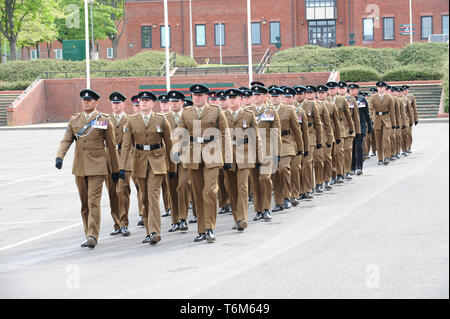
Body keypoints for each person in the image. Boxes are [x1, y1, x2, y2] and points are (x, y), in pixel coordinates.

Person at [55, 89, 119, 249]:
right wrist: (59, 156)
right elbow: (66, 140)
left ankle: (92, 235)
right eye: (84, 100)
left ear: (96, 102)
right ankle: (87, 233)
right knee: (84, 204)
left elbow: (111, 146)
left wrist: (115, 170)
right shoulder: (74, 119)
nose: (86, 102)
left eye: (89, 100)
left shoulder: (103, 120)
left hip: (97, 167)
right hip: (80, 167)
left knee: (93, 202)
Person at [175, 84, 231, 243]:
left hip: (212, 153)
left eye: (200, 95)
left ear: (206, 96)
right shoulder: (186, 112)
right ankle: (201, 230)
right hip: (193, 155)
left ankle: (209, 228)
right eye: (194, 95)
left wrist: (228, 159)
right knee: (198, 194)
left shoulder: (216, 111)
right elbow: (179, 132)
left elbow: (225, 135)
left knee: (210, 191)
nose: (197, 98)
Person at [120, 91, 175, 245]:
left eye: (146, 100)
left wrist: (172, 168)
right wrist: (122, 167)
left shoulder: (161, 120)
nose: (143, 103)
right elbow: (126, 145)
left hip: (157, 161)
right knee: (144, 198)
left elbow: (170, 144)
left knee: (153, 196)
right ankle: (148, 231)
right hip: (139, 162)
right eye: (141, 101)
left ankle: (155, 231)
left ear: (152, 103)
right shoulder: (132, 121)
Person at [223, 88, 259, 231]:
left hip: (245, 154)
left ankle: (242, 218)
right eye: (229, 98)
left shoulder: (248, 115)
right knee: (231, 189)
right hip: (228, 155)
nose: (232, 100)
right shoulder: (223, 116)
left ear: (240, 99)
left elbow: (256, 137)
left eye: (235, 98)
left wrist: (257, 156)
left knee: (242, 187)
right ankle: (236, 217)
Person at [248, 85, 281, 221]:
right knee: (255, 181)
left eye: (259, 95)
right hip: (251, 150)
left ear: (265, 96)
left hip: (267, 149)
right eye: (254, 95)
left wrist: (277, 152)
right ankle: (258, 210)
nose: (256, 97)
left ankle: (266, 208)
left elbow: (276, 132)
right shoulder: (247, 112)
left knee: (264, 179)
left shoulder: (271, 111)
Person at [269, 87, 304, 212]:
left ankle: (287, 196)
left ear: (281, 97)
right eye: (272, 96)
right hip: (272, 144)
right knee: (275, 173)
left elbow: (297, 130)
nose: (274, 98)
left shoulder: (288, 110)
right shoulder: (266, 111)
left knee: (284, 168)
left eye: (277, 96)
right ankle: (279, 202)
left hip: (286, 142)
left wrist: (300, 147)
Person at [106, 91, 131, 237]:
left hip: (124, 157)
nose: (116, 105)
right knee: (112, 192)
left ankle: (124, 223)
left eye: (118, 103)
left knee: (122, 190)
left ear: (123, 104)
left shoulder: (129, 120)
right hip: (108, 158)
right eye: (114, 103)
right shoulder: (104, 120)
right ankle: (116, 223)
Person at [165, 90, 191, 232]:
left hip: (186, 157)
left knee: (183, 186)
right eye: (171, 101)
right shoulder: (164, 118)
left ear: (182, 102)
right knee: (172, 189)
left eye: (176, 101)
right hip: (170, 158)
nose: (174, 104)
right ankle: (175, 220)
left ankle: (183, 218)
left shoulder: (188, 116)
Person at [316, 85, 341, 190]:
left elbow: (335, 122)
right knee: (318, 160)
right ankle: (319, 182)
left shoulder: (331, 105)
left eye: (323, 93)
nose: (321, 94)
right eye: (319, 93)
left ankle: (327, 179)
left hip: (327, 135)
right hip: (317, 136)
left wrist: (336, 136)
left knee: (327, 158)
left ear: (326, 94)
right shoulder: (314, 105)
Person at [369, 82, 396, 165]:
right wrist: (370, 120)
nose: (380, 88)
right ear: (377, 88)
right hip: (377, 119)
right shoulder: (373, 97)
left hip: (387, 120)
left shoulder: (389, 97)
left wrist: (394, 123)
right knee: (378, 140)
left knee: (386, 139)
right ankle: (380, 158)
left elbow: (392, 111)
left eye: (382, 87)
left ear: (385, 88)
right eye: (379, 87)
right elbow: (371, 109)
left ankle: (386, 157)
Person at [348, 85, 373, 175]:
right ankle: (352, 167)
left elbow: (366, 114)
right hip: (350, 128)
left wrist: (369, 127)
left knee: (359, 147)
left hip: (361, 127)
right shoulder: (347, 101)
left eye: (354, 89)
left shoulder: (362, 100)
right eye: (350, 89)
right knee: (351, 148)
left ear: (357, 90)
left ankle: (359, 167)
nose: (352, 91)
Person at [130, 95, 145, 227]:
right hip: (132, 160)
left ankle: (143, 214)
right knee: (137, 188)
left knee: (143, 189)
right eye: (135, 106)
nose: (137, 108)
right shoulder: (129, 121)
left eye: (138, 105)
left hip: (146, 159)